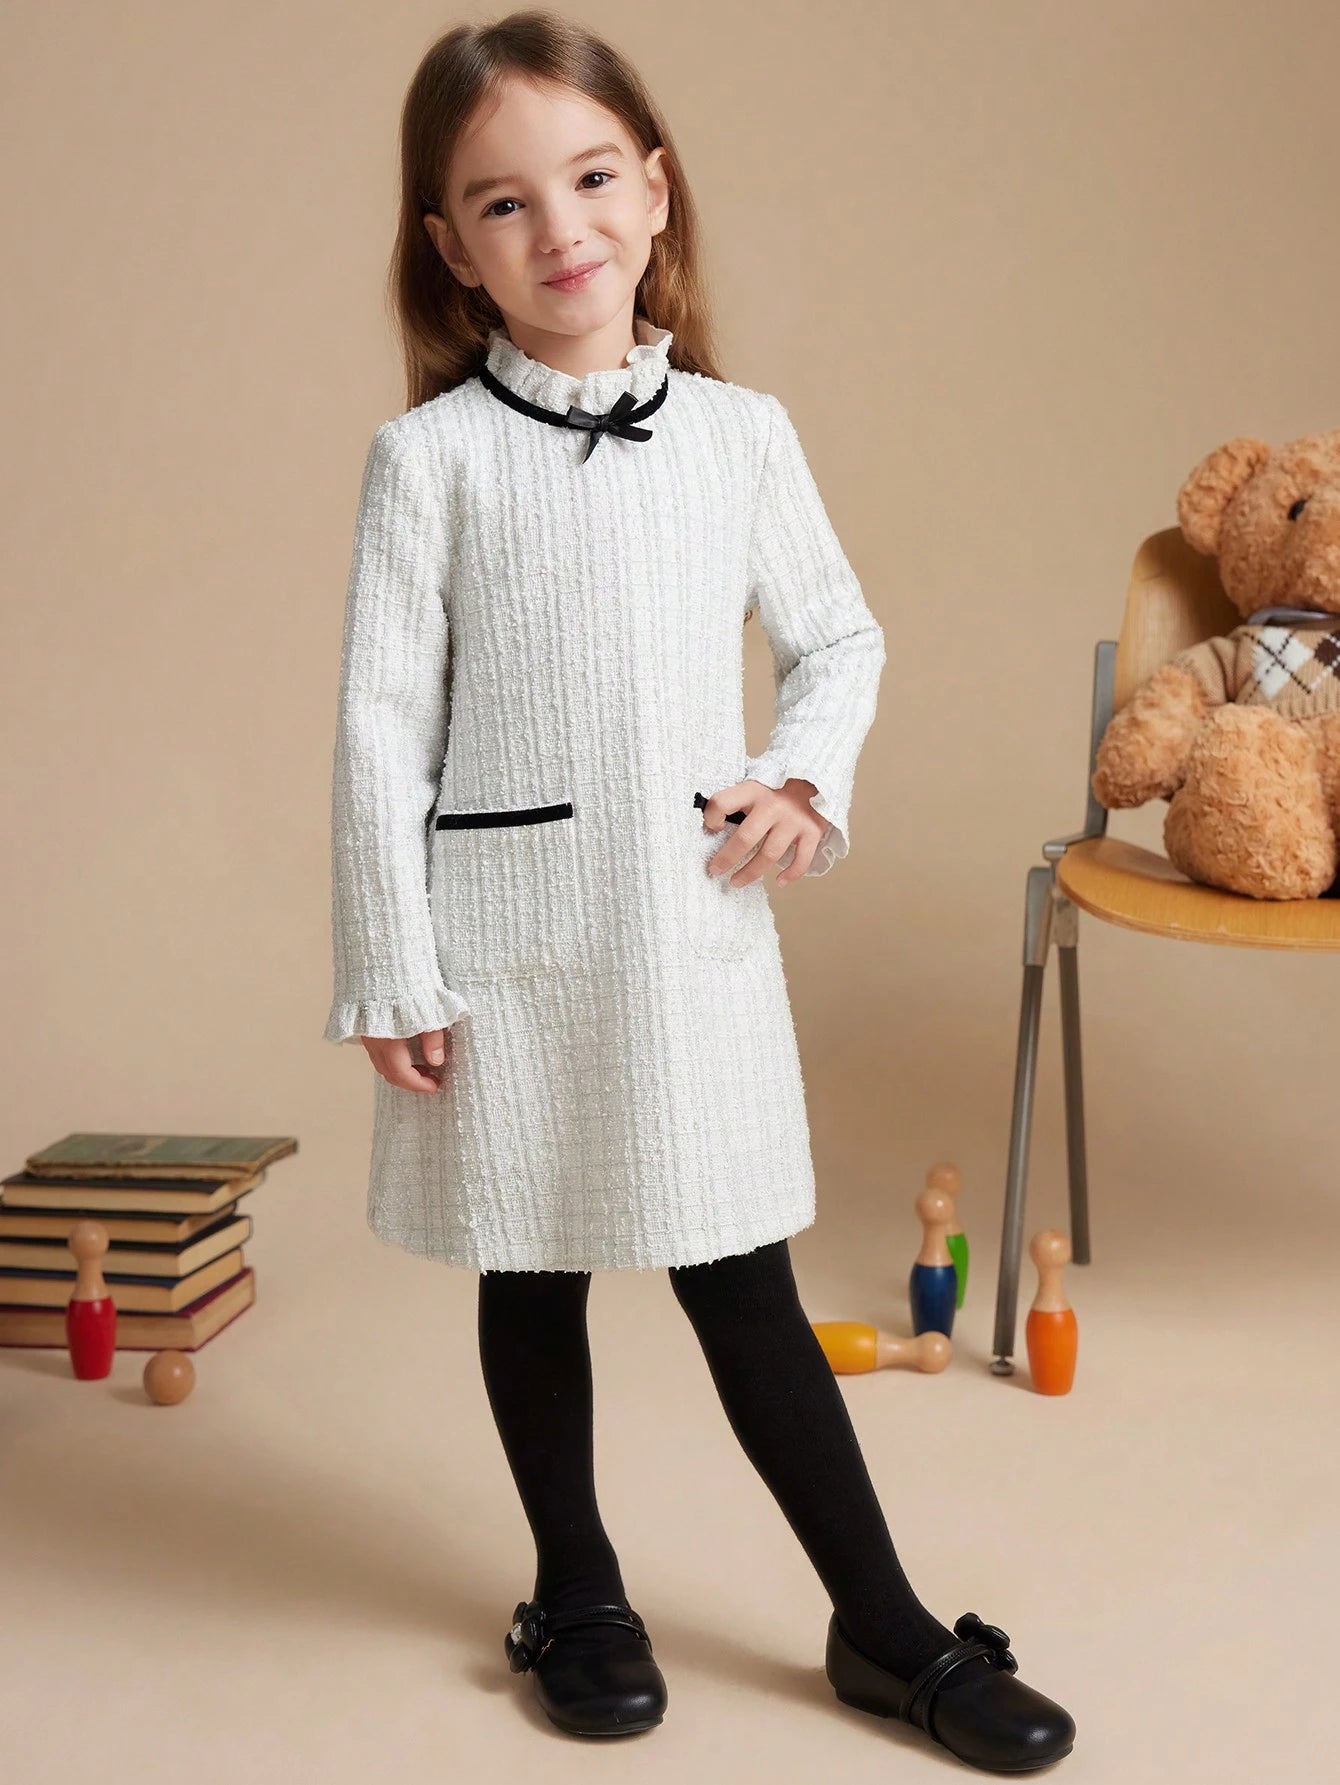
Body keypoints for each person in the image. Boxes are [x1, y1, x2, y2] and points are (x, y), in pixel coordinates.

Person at [323, 9, 1075, 1770]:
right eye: (503, 203)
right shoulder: (429, 461)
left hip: (685, 926)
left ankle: (884, 1625)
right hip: (507, 941)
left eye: (592, 179)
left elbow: (840, 636)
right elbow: (379, 725)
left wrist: (803, 779)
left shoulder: (741, 435)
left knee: (739, 1270)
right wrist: (390, 964)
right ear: (451, 248)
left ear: (656, 192)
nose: (560, 228)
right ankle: (576, 1588)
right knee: (533, 1259)